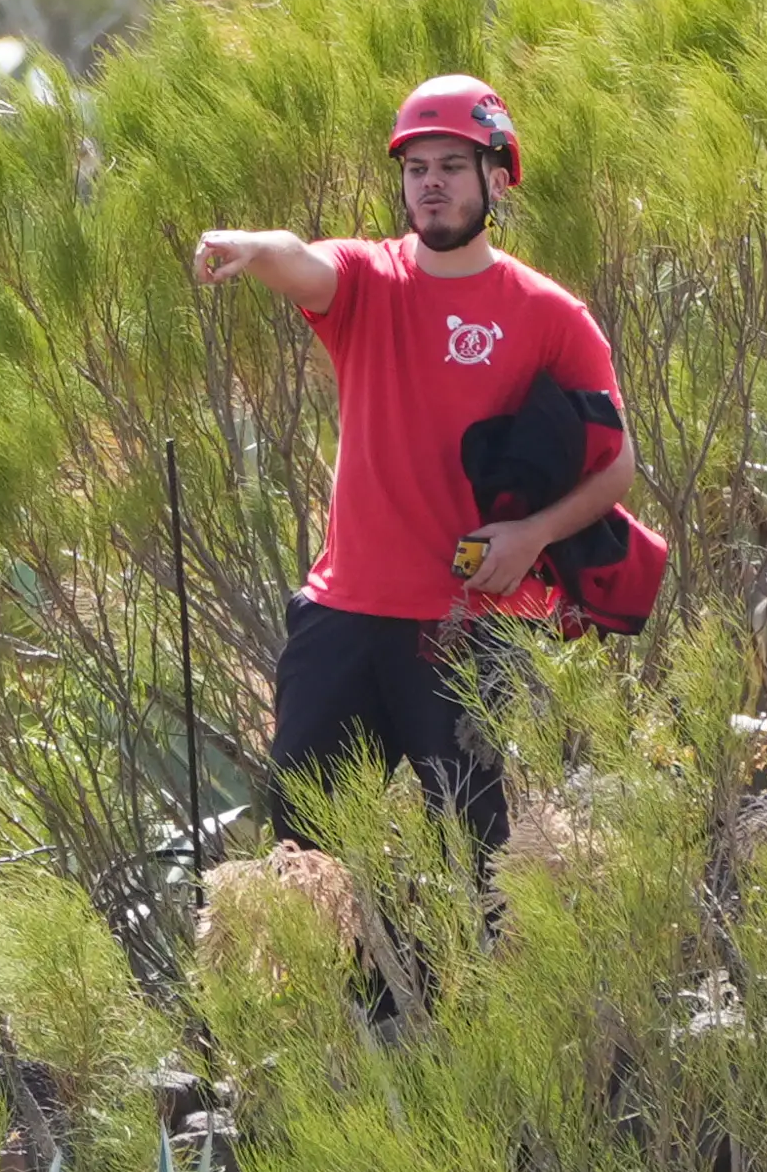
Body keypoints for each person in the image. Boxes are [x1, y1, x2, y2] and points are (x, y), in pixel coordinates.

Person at [190, 73, 638, 856]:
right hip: (345, 617)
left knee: (474, 867)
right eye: (415, 169)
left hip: (469, 628)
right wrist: (251, 248)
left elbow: (617, 467)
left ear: (497, 178)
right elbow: (301, 259)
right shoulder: (369, 280)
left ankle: (449, 985)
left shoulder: (549, 316)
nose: (430, 185)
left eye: (451, 168)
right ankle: (354, 985)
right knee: (307, 859)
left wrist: (532, 536)